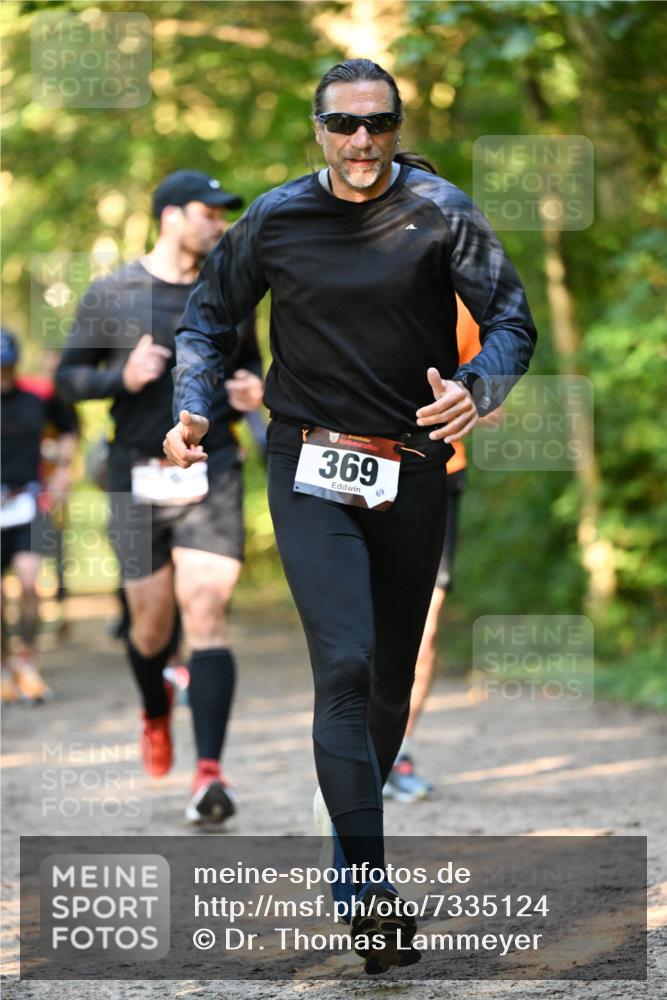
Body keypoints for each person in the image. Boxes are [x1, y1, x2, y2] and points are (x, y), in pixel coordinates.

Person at [164, 59, 536, 973]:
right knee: (346, 659)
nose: (361, 141)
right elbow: (208, 321)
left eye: (377, 124)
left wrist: (479, 388)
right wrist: (196, 405)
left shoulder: (441, 211)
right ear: (317, 129)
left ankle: (346, 859)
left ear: (396, 125)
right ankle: (370, 896)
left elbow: (511, 321)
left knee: (388, 684)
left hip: (410, 469)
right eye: (343, 124)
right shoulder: (275, 218)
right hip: (308, 462)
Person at [56, 171, 264, 824]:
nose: (220, 225)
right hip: (135, 473)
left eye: (227, 215)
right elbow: (65, 380)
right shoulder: (112, 292)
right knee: (150, 627)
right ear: (171, 216)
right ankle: (154, 712)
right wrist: (122, 375)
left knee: (204, 613)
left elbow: (250, 366)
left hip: (212, 467)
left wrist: (251, 391)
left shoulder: (228, 291)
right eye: (210, 213)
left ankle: (208, 774)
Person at [1, 329, 78, 702]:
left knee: (31, 583)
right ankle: (3, 667)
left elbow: (68, 427)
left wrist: (63, 469)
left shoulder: (37, 396)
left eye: (6, 367)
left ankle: (27, 660)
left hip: (27, 501)